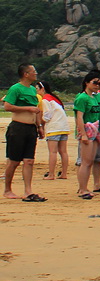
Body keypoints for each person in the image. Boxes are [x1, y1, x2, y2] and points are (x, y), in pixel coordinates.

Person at [3, 64, 46, 201]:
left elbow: (36, 108)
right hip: (18, 127)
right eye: (33, 72)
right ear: (26, 74)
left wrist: (39, 126)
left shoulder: (33, 90)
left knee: (29, 161)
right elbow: (7, 106)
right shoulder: (16, 89)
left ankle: (28, 190)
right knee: (14, 161)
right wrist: (27, 109)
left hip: (31, 128)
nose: (36, 74)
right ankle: (7, 189)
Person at [74, 70, 100, 199]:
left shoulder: (97, 97)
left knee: (92, 160)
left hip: (97, 131)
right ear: (86, 83)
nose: (97, 85)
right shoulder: (82, 98)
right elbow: (79, 117)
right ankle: (82, 189)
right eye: (94, 82)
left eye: (99, 83)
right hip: (88, 131)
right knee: (86, 161)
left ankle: (86, 187)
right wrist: (83, 134)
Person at [37, 80, 70, 181]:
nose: (36, 91)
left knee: (53, 152)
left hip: (54, 127)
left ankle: (51, 174)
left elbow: (47, 115)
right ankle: (64, 173)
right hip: (64, 127)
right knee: (63, 152)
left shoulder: (45, 99)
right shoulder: (55, 99)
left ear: (42, 89)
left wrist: (40, 124)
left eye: (37, 89)